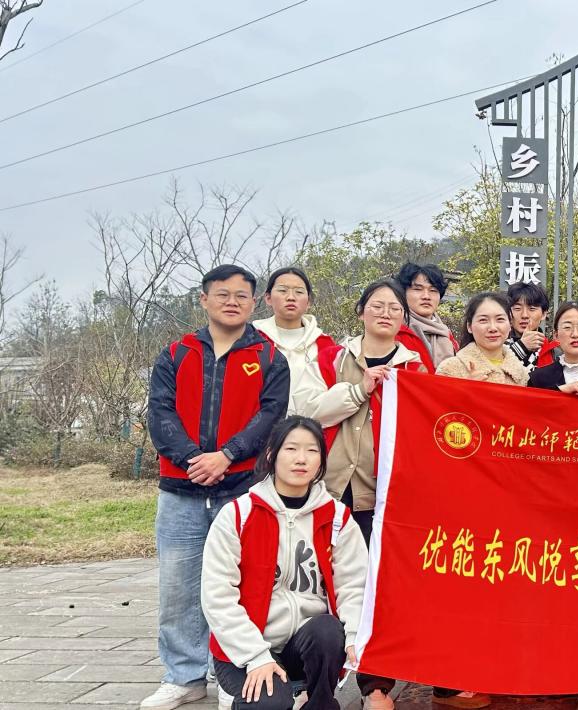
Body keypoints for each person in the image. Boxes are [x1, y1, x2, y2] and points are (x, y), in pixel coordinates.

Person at [142, 264, 290, 710]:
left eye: (241, 295)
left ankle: (230, 672)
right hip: (181, 489)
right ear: (204, 299)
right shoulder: (176, 354)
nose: (232, 302)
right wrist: (194, 459)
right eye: (222, 294)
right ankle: (183, 676)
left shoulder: (270, 357)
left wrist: (226, 455)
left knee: (242, 586)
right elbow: (160, 414)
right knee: (179, 588)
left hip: (241, 488)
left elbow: (270, 417)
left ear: (253, 302)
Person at [306, 280, 445, 709]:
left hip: (384, 495)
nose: (386, 313)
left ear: (404, 318)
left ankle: (375, 685)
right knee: (324, 586)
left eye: (394, 308)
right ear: (361, 311)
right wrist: (359, 389)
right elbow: (311, 410)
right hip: (331, 489)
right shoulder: (332, 358)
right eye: (377, 306)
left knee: (377, 589)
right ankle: (315, 681)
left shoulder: (415, 366)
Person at [202, 416, 368, 710]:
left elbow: (354, 585)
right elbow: (217, 596)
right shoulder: (238, 515)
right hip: (245, 647)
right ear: (271, 454)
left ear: (322, 460)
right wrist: (256, 656)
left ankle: (320, 704)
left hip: (303, 645)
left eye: (312, 450)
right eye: (291, 449)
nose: (301, 459)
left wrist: (354, 634)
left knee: (328, 631)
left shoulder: (337, 518)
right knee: (270, 703)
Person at [253, 267, 336, 416]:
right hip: (261, 428)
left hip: (313, 427)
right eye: (282, 290)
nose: (291, 297)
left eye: (299, 292)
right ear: (268, 298)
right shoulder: (253, 341)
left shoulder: (325, 345)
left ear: (309, 301)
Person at [436, 291, 530, 386]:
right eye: (483, 320)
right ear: (469, 326)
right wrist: (466, 389)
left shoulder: (522, 374)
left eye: (500, 319)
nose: (493, 328)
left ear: (510, 324)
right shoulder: (449, 369)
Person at [396, 262, 459, 370]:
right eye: (418, 289)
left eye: (433, 290)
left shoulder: (446, 334)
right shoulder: (395, 331)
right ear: (403, 293)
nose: (426, 296)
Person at [506, 281, 561, 370]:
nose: (524, 315)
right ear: (508, 313)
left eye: (532, 309)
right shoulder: (496, 346)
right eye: (517, 308)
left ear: (544, 314)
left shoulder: (555, 353)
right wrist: (521, 347)